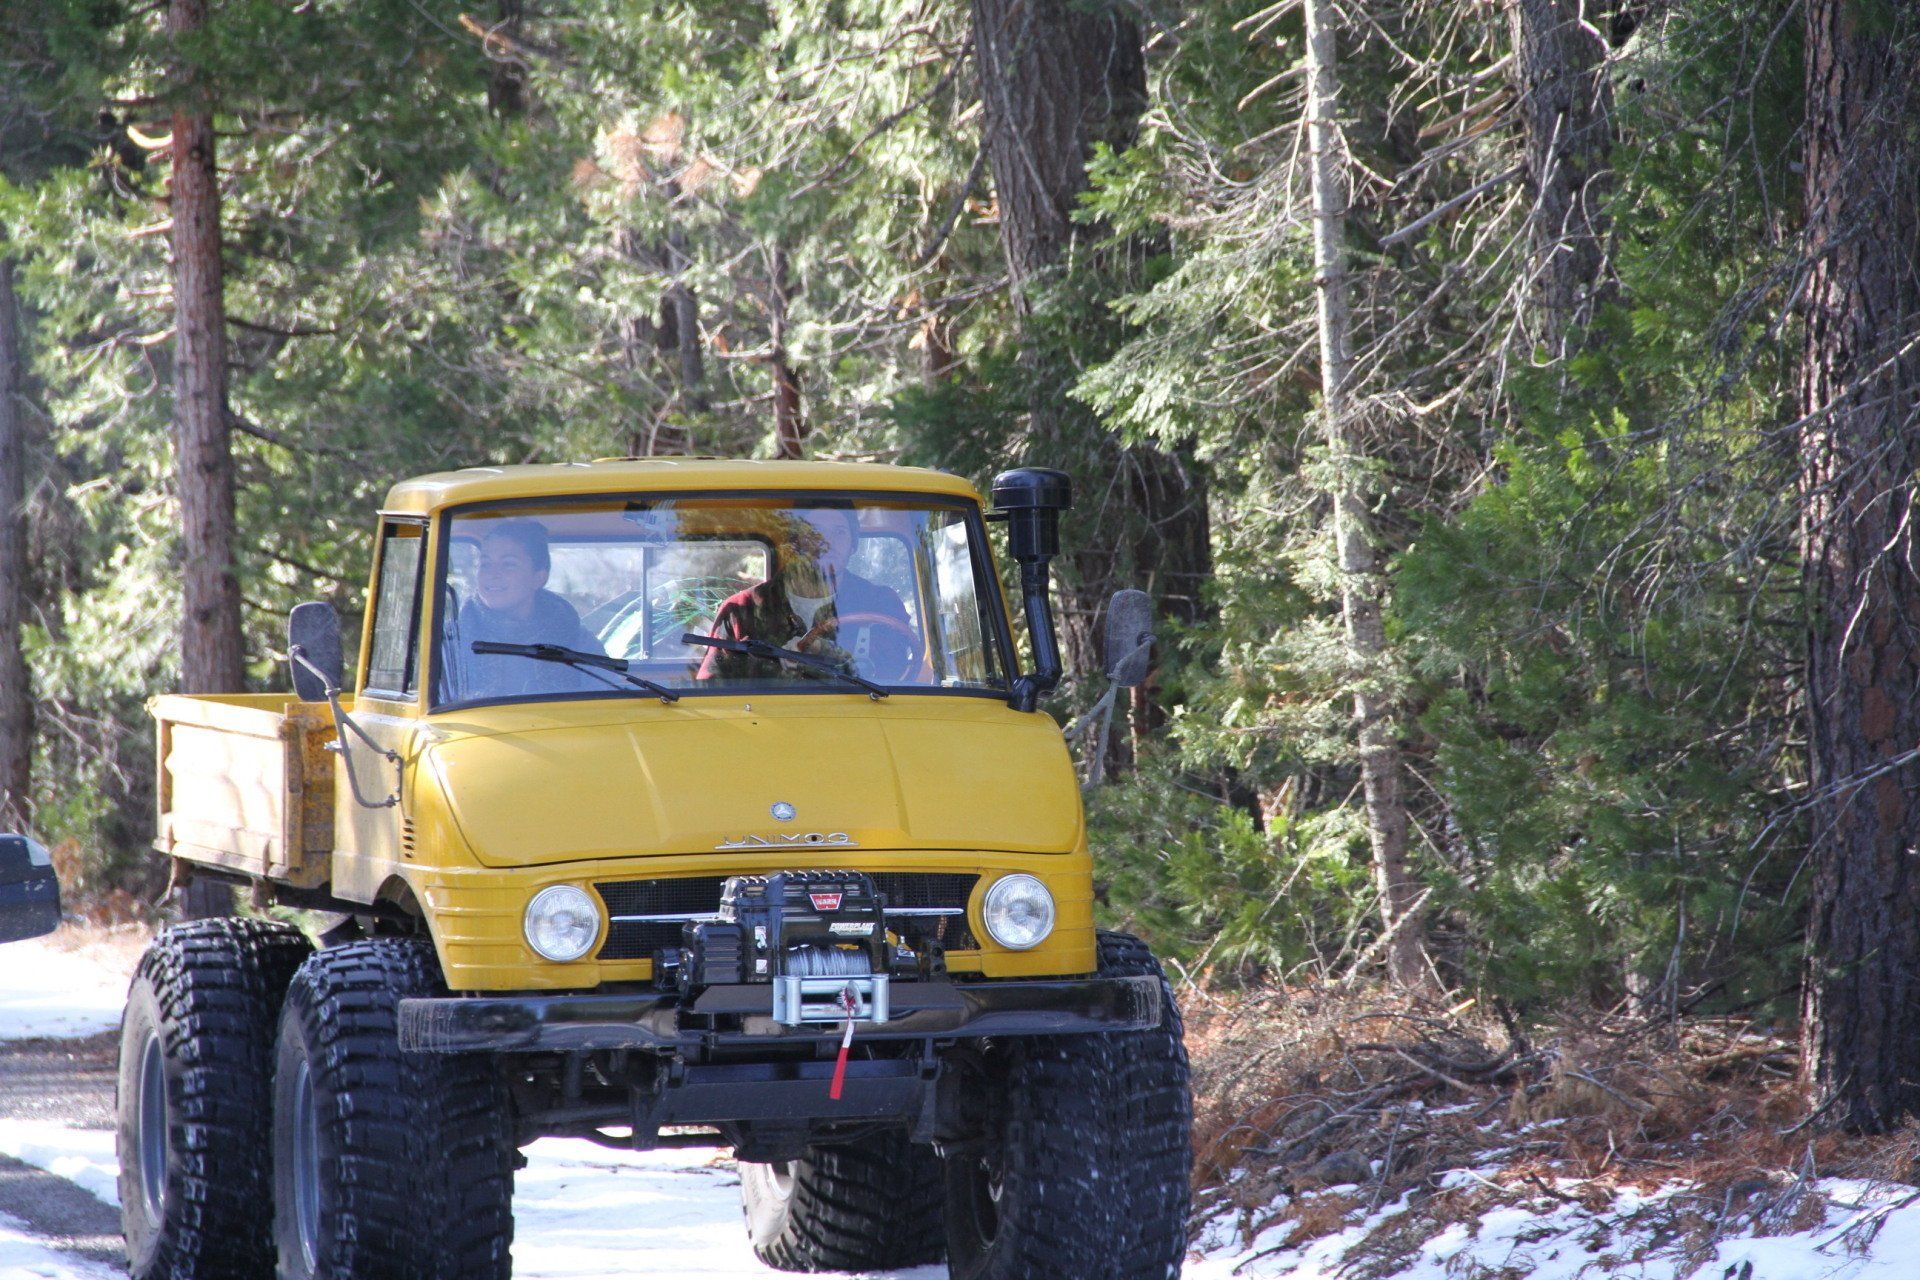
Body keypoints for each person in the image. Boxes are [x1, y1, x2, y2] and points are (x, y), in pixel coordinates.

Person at [696, 506, 914, 683]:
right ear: (797, 543)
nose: (827, 543)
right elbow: (712, 687)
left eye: (839, 532)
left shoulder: (882, 604)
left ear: (853, 544)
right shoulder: (741, 608)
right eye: (814, 532)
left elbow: (899, 677)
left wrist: (829, 654)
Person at [453, 519, 605, 699]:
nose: (492, 574)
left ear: (539, 577)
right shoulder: (451, 639)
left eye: (508, 564)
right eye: (485, 564)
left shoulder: (576, 639)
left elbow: (604, 701)